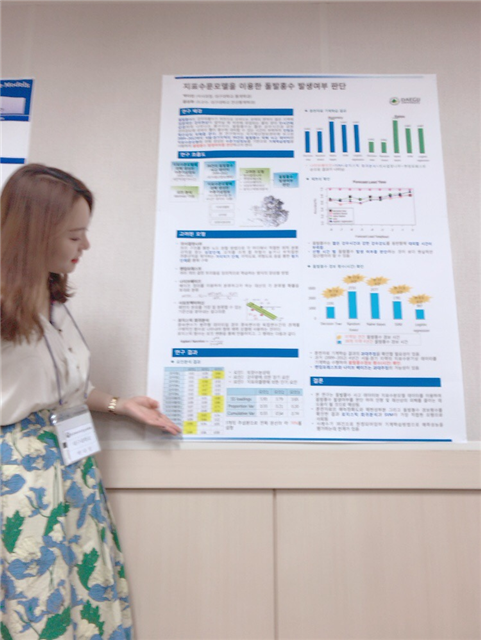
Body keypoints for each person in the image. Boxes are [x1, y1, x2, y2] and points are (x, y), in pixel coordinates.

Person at [0, 164, 181, 639]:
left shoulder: (50, 299)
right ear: (34, 233)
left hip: (72, 470)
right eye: (74, 235)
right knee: (36, 604)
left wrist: (120, 405)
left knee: (83, 601)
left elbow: (63, 388)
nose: (86, 245)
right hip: (19, 481)